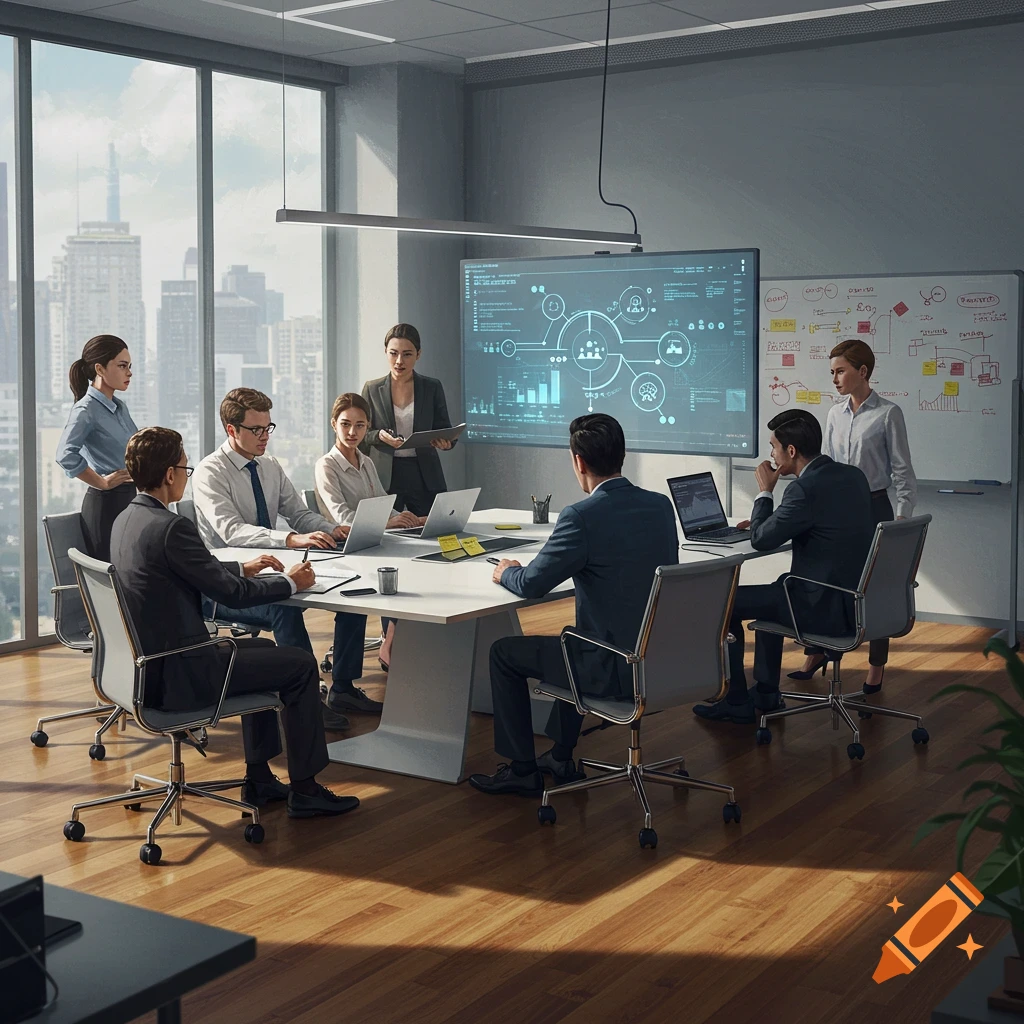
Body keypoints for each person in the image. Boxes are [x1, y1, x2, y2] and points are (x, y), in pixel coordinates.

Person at [110, 427, 359, 819]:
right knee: (299, 664)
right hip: (185, 674)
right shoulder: (173, 526)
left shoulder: (128, 519)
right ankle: (306, 789)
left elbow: (184, 569)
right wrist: (290, 582)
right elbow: (233, 595)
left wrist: (241, 566)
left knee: (265, 650)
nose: (186, 475)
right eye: (184, 468)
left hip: (148, 670)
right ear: (169, 474)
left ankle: (259, 778)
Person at [469, 414, 678, 797]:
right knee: (574, 640)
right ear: (622, 454)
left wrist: (506, 571)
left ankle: (522, 770)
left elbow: (532, 584)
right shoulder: (661, 506)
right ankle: (560, 756)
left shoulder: (582, 516)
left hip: (612, 669)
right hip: (661, 660)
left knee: (504, 653)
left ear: (578, 461)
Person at [191, 387, 378, 725]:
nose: (265, 437)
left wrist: (332, 529)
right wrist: (290, 539)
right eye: (256, 430)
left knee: (352, 592)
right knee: (283, 605)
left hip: (273, 570)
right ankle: (306, 698)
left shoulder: (269, 465)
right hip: (228, 585)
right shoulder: (210, 472)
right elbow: (232, 531)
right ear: (232, 429)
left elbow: (298, 513)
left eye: (268, 428)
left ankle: (344, 688)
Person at [692, 409, 874, 726]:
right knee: (776, 590)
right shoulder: (853, 476)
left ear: (791, 451)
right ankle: (765, 693)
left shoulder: (804, 488)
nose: (772, 455)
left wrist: (765, 491)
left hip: (820, 607)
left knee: (722, 603)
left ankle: (736, 701)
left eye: (773, 447)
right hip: (856, 602)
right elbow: (817, 523)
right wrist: (770, 522)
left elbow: (762, 540)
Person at [789, 338, 918, 693]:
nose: (834, 379)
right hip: (837, 508)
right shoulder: (834, 413)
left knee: (876, 586)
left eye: (840, 371)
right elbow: (825, 467)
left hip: (875, 508)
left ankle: (876, 668)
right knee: (825, 577)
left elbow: (903, 472)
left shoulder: (888, 413)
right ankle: (817, 651)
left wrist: (901, 521)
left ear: (862, 371)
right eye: (831, 372)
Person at [314, 392, 422, 672]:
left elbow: (381, 502)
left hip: (373, 541)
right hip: (343, 547)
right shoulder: (326, 465)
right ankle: (391, 641)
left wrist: (407, 519)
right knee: (398, 568)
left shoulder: (367, 461)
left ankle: (395, 638)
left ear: (367, 427)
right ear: (333, 424)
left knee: (417, 564)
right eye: (345, 424)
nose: (352, 432)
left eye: (360, 425)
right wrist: (389, 524)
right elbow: (343, 518)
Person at [55, 335, 138, 561]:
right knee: (112, 573)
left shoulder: (120, 407)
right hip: (106, 505)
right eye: (122, 366)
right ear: (100, 369)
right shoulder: (85, 410)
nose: (129, 373)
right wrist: (102, 482)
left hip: (129, 499)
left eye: (129, 366)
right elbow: (65, 454)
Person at [361, 324, 455, 517]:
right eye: (393, 353)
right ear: (385, 352)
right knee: (382, 528)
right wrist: (379, 436)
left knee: (433, 527)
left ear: (418, 354)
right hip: (385, 474)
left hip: (423, 473)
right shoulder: (372, 389)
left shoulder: (431, 387)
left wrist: (446, 443)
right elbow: (362, 435)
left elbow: (445, 428)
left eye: (407, 354)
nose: (399, 361)